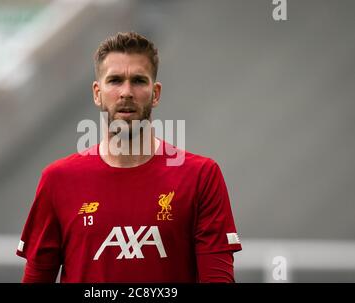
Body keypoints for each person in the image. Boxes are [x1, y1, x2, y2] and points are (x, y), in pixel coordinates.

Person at [16, 31, 242, 283]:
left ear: (155, 93)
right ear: (97, 92)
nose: (126, 92)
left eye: (138, 80)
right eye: (114, 80)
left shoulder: (201, 177)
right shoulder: (58, 180)